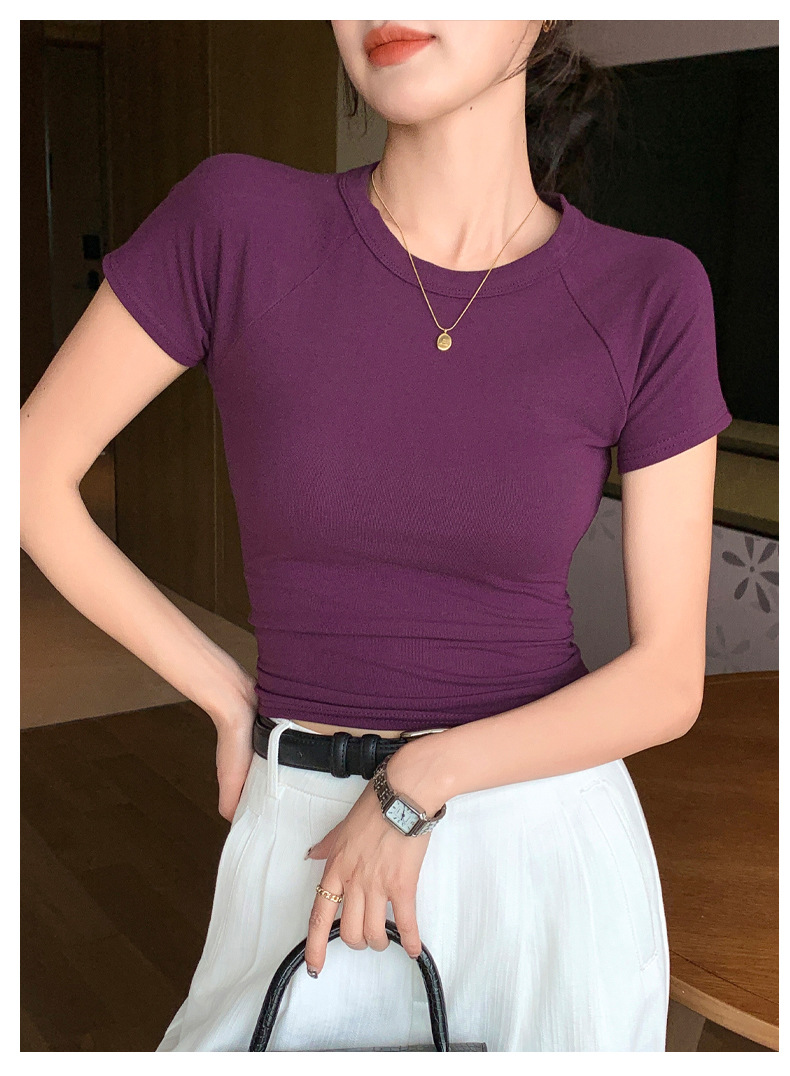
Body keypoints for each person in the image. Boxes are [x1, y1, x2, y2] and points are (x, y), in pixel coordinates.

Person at [20, 20, 732, 1052]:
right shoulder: (236, 221)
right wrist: (222, 689)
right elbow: (31, 474)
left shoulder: (650, 293)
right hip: (304, 830)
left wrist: (415, 783)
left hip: (541, 848)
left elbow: (666, 681)